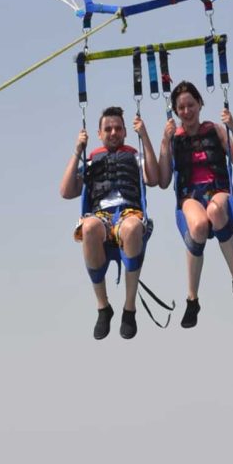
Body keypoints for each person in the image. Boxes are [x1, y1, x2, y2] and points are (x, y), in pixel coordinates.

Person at [158, 81, 233, 328]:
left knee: (214, 211)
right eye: (181, 107)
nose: (186, 111)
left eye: (190, 105)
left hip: (218, 192)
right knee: (200, 225)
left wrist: (232, 127)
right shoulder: (174, 139)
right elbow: (162, 182)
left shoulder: (215, 130)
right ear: (175, 111)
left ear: (200, 104)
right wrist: (164, 142)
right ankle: (192, 299)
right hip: (190, 196)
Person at [60, 106, 159, 339]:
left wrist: (144, 136)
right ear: (99, 133)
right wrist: (77, 151)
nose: (113, 132)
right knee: (88, 227)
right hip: (101, 217)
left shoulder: (135, 156)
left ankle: (129, 308)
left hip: (129, 213)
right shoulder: (92, 161)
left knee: (134, 227)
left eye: (117, 128)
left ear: (125, 132)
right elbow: (65, 191)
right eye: (108, 129)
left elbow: (154, 179)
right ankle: (103, 307)